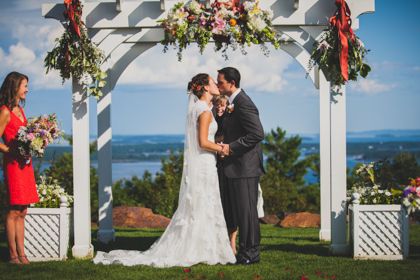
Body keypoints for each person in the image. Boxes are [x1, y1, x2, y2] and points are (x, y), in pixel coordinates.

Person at [93, 73, 236, 267]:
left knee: (201, 203)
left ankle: (202, 246)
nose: (216, 85)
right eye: (212, 82)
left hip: (205, 163)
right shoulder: (203, 111)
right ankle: (202, 248)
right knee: (204, 202)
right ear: (204, 87)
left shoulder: (200, 108)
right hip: (204, 163)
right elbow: (202, 142)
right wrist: (222, 148)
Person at [217, 67, 265, 265]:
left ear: (231, 83)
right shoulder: (233, 103)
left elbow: (257, 134)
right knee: (241, 212)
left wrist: (229, 148)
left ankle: (250, 254)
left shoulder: (243, 103)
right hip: (236, 167)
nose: (218, 85)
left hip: (245, 167)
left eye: (220, 82)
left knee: (247, 213)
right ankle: (245, 251)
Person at [0, 72, 39, 265]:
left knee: (23, 211)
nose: (27, 89)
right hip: (13, 164)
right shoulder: (5, 111)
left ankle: (22, 254)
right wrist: (10, 151)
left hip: (25, 164)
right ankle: (13, 255)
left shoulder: (20, 111)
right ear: (15, 87)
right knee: (14, 210)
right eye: (24, 85)